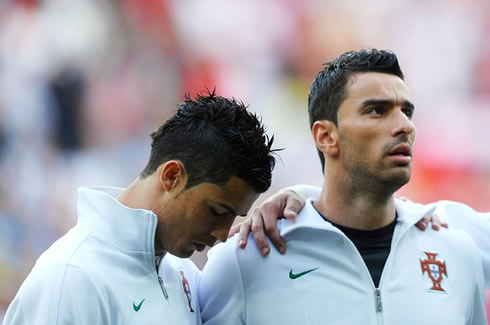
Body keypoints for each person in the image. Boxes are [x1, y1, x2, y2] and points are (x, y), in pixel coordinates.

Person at [199, 49, 488, 324]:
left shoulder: (458, 252)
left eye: (407, 112)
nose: (405, 126)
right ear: (325, 136)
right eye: (377, 110)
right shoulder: (243, 262)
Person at [3, 90, 277, 324]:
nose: (222, 234)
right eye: (217, 211)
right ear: (171, 176)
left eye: (235, 216)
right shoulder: (71, 277)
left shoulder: (187, 277)